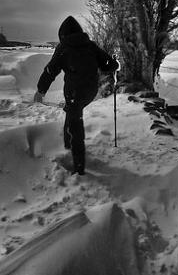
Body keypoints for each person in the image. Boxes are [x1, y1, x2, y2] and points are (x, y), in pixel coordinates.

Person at [33, 16, 119, 175]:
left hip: (74, 92)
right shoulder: (91, 45)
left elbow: (50, 71)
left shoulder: (64, 47)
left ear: (63, 34)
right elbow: (110, 65)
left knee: (75, 124)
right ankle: (67, 147)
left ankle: (79, 168)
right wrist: (113, 62)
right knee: (72, 113)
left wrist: (40, 91)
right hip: (90, 91)